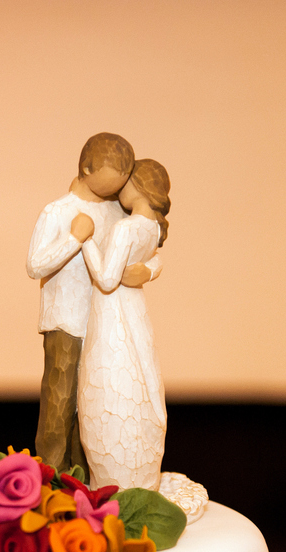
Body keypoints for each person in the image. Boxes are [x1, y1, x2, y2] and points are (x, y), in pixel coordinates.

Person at [26, 133, 137, 479]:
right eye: (113, 175)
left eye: (124, 175)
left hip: (104, 323)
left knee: (91, 405)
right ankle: (53, 479)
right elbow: (35, 265)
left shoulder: (117, 211)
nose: (119, 182)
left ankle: (86, 477)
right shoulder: (58, 211)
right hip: (65, 322)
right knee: (60, 402)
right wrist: (73, 239)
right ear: (87, 168)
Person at [77, 159, 171, 490]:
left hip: (112, 310)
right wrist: (148, 269)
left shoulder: (126, 228)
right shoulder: (153, 228)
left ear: (138, 187)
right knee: (140, 376)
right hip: (134, 308)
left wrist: (85, 239)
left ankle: (116, 478)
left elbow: (105, 278)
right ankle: (139, 474)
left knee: (111, 381)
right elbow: (151, 260)